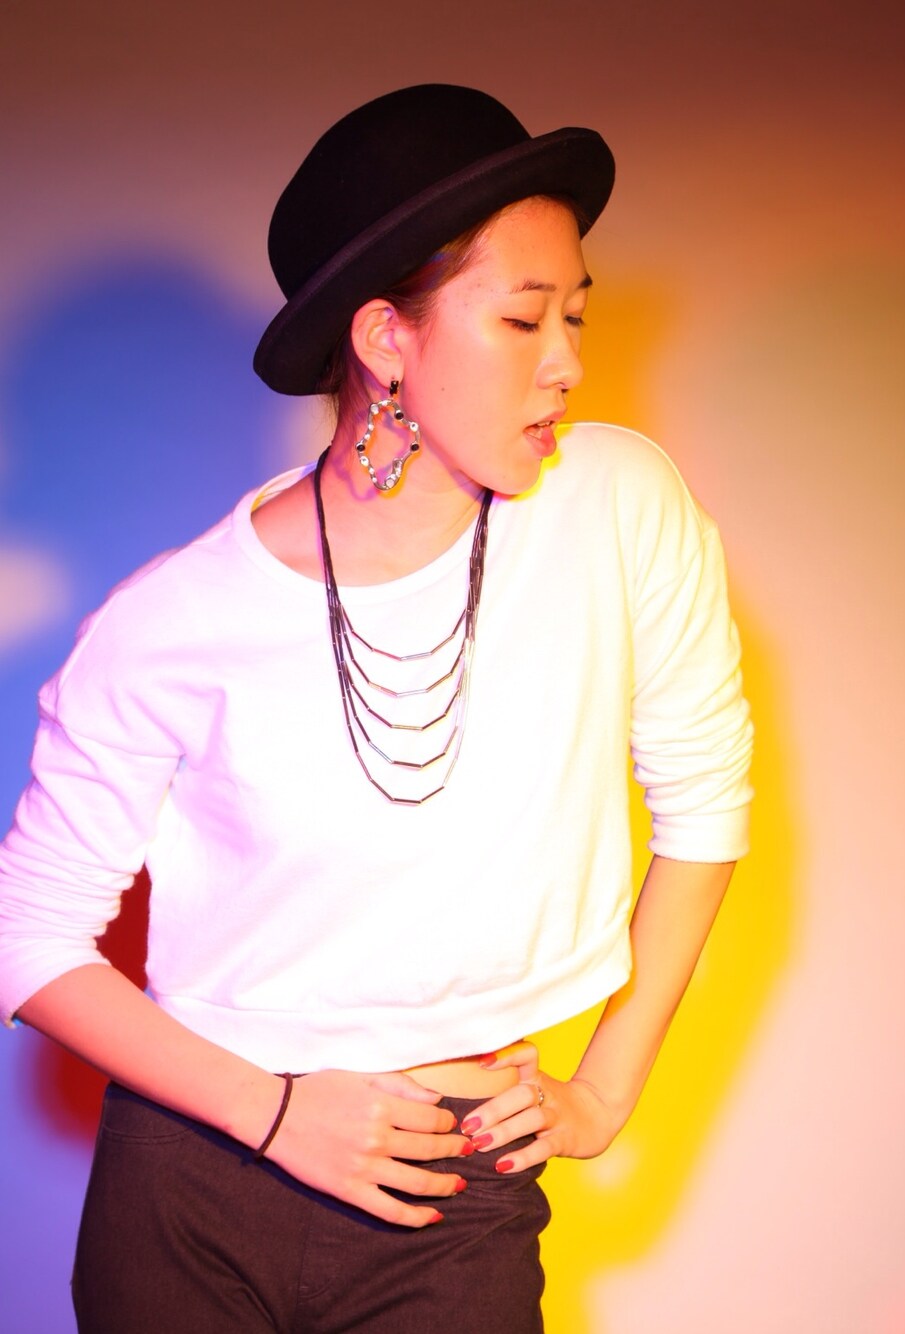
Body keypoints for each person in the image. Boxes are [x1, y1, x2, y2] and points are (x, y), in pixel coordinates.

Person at [0, 84, 752, 1333]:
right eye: (521, 317)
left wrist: (607, 1087)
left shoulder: (617, 506)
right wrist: (279, 1114)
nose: (566, 360)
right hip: (195, 1180)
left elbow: (705, 797)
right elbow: (26, 934)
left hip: (451, 1185)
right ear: (385, 339)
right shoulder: (169, 620)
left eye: (574, 313)